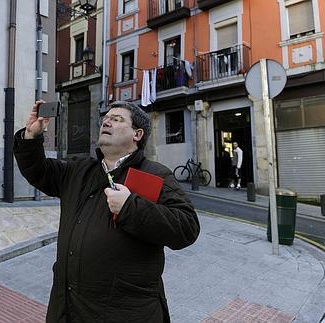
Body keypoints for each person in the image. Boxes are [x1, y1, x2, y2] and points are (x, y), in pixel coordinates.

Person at [13, 101, 200, 323]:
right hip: (67, 308)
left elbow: (187, 227)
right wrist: (31, 136)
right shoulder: (80, 169)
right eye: (106, 118)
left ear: (137, 134)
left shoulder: (155, 175)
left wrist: (131, 207)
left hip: (124, 313)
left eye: (118, 119)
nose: (107, 121)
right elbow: (39, 171)